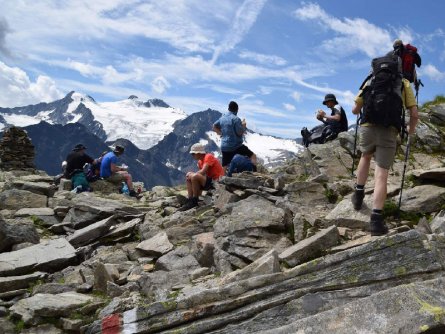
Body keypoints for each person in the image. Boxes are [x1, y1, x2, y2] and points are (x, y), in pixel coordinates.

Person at [351, 72, 418, 236]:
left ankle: (358, 195)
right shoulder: (404, 83)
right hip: (389, 130)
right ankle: (376, 222)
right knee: (381, 174)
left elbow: (355, 110)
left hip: (368, 125)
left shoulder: (371, 80)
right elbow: (414, 114)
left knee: (365, 156)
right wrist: (410, 130)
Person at [213, 101, 257, 171]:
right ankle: (255, 174)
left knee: (224, 165)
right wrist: (244, 125)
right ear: (237, 110)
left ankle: (222, 180)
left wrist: (221, 133)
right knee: (253, 156)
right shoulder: (236, 119)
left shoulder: (222, 118)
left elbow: (214, 126)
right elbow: (239, 133)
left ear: (228, 108)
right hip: (236, 146)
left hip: (224, 147)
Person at [179, 143, 224, 211]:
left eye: (193, 153)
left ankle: (194, 201)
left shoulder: (208, 156)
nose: (192, 155)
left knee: (194, 176)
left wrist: (192, 174)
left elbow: (202, 171)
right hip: (210, 182)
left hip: (217, 182)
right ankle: (190, 200)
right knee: (189, 177)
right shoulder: (200, 162)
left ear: (198, 153)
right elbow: (202, 176)